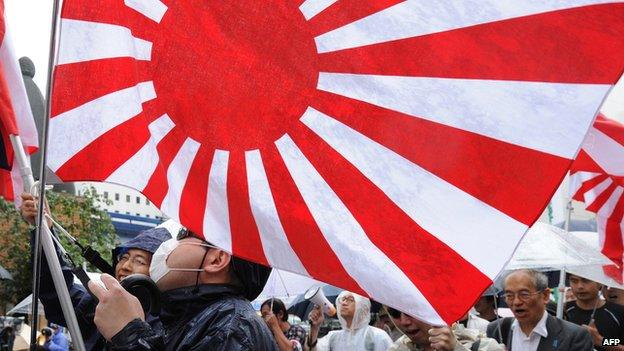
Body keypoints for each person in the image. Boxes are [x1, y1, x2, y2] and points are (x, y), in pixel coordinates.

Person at [20, 193, 171, 350]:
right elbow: (56, 291)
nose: (125, 265)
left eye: (139, 261)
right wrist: (45, 230)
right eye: (123, 257)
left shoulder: (170, 325)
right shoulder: (97, 306)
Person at [88, 230, 278, 350]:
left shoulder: (231, 329)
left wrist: (130, 334)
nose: (168, 246)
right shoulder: (194, 316)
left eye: (184, 236)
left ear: (216, 260)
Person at [487, 269, 592, 351]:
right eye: (509, 295)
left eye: (524, 294)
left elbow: (608, 342)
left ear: (545, 296)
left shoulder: (574, 335)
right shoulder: (497, 330)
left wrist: (602, 341)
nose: (516, 302)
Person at [387, 306, 504, 351]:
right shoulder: (396, 349)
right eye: (394, 313)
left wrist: (456, 349)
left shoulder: (481, 345)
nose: (404, 321)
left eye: (410, 311)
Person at [307, 290, 392, 350]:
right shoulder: (333, 337)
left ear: (363, 308)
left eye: (350, 300)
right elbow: (310, 349)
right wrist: (314, 328)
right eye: (343, 299)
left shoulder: (377, 336)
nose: (343, 303)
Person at [565, 274, 624, 351]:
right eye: (574, 281)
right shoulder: (563, 310)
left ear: (600, 283)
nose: (580, 286)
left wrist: (601, 341)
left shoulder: (618, 312)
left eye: (586, 280)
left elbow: (621, 344)